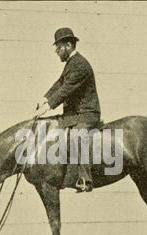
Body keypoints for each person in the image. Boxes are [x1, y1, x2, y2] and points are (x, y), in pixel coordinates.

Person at [35, 27, 101, 192]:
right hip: (74, 114)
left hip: (86, 115)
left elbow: (66, 89)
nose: (56, 51)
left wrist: (47, 107)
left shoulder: (80, 64)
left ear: (69, 45)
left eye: (59, 46)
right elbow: (60, 83)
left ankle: (86, 179)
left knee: (77, 136)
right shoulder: (72, 63)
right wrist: (44, 98)